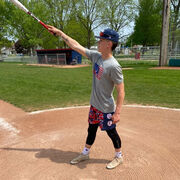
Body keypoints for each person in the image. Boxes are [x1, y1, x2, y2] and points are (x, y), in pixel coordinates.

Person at [47, 25, 125, 169]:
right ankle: (85, 153)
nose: (98, 43)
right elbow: (76, 46)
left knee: (111, 132)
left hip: (106, 108)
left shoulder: (114, 66)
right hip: (94, 105)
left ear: (109, 44)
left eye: (101, 40)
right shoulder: (96, 56)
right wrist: (60, 33)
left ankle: (118, 156)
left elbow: (121, 91)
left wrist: (117, 112)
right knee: (91, 129)